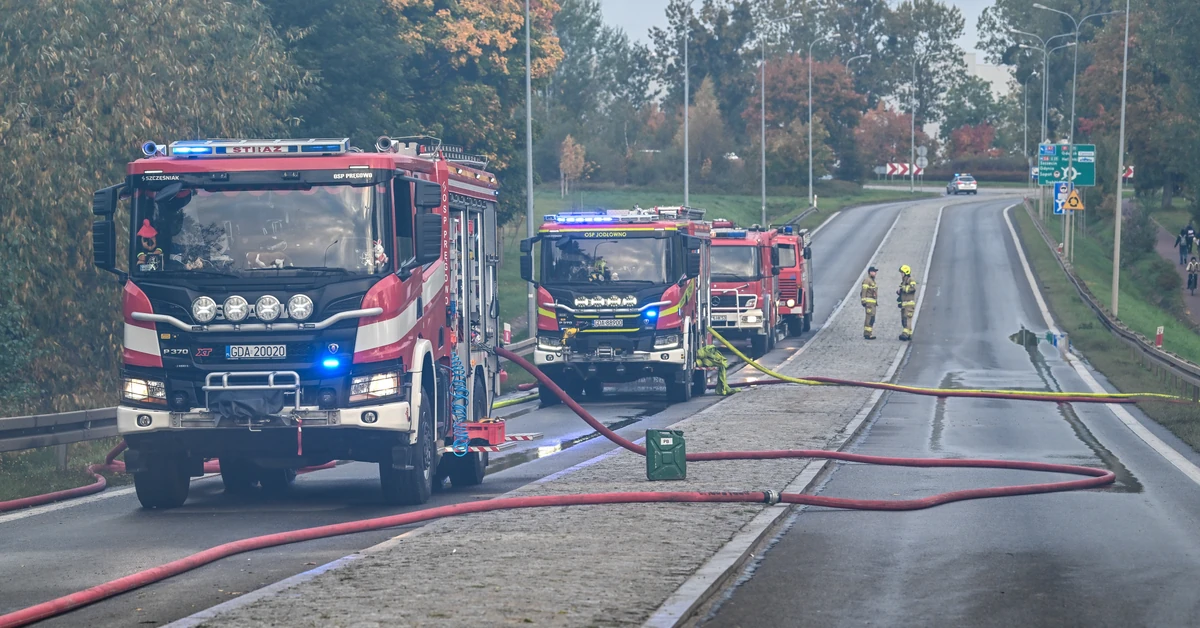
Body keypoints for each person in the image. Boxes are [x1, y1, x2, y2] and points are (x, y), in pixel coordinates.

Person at [896, 264, 918, 341]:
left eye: (902, 273)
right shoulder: (903, 281)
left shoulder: (910, 279)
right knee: (904, 320)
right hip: (904, 304)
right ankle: (909, 334)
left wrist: (904, 288)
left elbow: (913, 288)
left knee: (907, 319)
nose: (901, 274)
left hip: (909, 304)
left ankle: (905, 334)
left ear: (906, 272)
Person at [860, 266, 878, 340]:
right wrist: (863, 301)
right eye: (874, 272)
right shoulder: (867, 280)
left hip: (873, 303)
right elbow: (863, 291)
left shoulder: (872, 281)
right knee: (869, 318)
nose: (875, 273)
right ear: (870, 272)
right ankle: (867, 334)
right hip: (869, 303)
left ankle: (869, 333)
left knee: (872, 318)